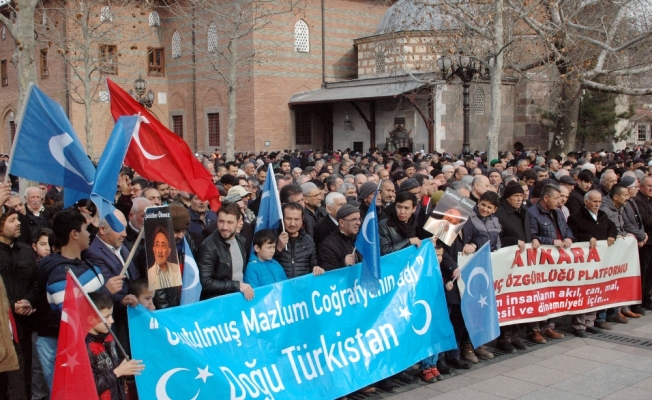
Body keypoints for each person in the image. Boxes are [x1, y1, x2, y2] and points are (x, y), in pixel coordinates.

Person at [35, 209, 123, 390]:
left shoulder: (83, 262)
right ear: (74, 234)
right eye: (85, 229)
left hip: (91, 346)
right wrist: (107, 291)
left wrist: (121, 298)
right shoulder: (60, 273)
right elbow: (73, 313)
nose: (89, 233)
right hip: (61, 347)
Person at [567, 190, 618, 336]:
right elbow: (574, 234)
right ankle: (579, 325)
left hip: (599, 262)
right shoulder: (576, 217)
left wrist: (611, 235)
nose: (597, 204)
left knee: (596, 291)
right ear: (586, 201)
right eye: (594, 201)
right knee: (583, 292)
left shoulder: (602, 215)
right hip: (584, 261)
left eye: (599, 202)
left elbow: (611, 226)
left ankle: (590, 321)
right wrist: (587, 237)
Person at [527, 184, 574, 341]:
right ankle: (535, 329)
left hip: (557, 260)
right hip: (541, 260)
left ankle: (549, 326)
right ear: (546, 198)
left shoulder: (558, 212)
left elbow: (566, 228)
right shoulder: (533, 213)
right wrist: (552, 241)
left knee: (553, 292)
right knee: (539, 293)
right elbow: (533, 236)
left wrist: (568, 238)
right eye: (556, 198)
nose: (559, 201)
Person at [0, 210, 38, 399]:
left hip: (23, 327)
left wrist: (29, 300)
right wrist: (11, 305)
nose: (18, 224)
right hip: (3, 326)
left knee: (22, 380)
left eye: (18, 220)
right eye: (11, 220)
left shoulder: (26, 250)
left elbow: (36, 281)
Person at [86, 292, 144, 400]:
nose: (111, 321)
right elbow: (89, 387)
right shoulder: (85, 348)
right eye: (106, 317)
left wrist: (124, 369)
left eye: (111, 315)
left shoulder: (108, 338)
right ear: (90, 320)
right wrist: (118, 371)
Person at [197, 203, 251, 300]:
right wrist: (237, 286)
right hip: (219, 303)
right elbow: (205, 283)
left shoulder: (241, 240)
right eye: (221, 221)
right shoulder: (208, 246)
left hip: (238, 299)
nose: (224, 227)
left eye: (230, 222)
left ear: (239, 222)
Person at [275, 203, 325, 278]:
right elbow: (263, 264)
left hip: (303, 286)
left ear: (302, 219)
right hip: (281, 287)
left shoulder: (308, 240)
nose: (292, 223)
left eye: (296, 219)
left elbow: (313, 264)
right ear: (282, 219)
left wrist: (316, 269)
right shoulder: (273, 237)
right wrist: (278, 248)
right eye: (288, 219)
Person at [318, 205, 362, 271]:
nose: (359, 223)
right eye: (354, 219)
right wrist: (343, 263)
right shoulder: (328, 245)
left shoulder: (361, 238)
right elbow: (327, 272)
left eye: (359, 219)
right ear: (342, 222)